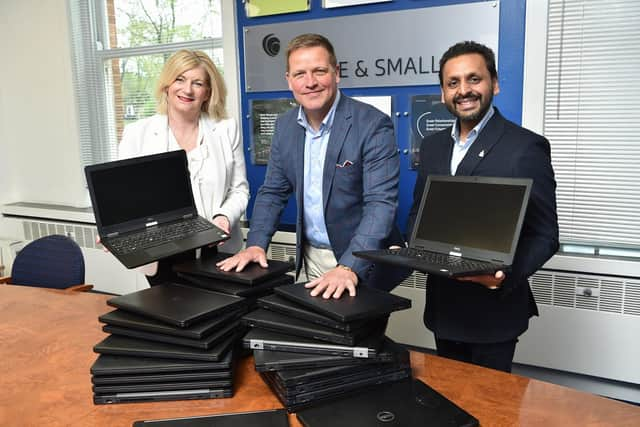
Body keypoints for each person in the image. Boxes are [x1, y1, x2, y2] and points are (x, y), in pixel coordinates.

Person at [407, 41, 559, 372]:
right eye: (453, 83)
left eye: (474, 79)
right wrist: (412, 248)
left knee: (493, 414)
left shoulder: (525, 147)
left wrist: (503, 276)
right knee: (449, 405)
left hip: (494, 314)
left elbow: (546, 235)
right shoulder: (432, 147)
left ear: (494, 83)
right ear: (444, 93)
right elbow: (419, 212)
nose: (464, 90)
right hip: (444, 308)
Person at [218, 33, 404, 298]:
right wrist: (256, 244)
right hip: (310, 258)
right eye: (300, 74)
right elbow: (272, 192)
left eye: (319, 71)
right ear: (289, 80)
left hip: (362, 259)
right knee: (313, 336)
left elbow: (380, 205)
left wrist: (348, 266)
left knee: (361, 338)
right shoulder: (285, 126)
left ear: (336, 73)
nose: (310, 82)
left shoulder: (372, 124)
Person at [118, 49, 249, 285]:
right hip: (162, 254)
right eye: (180, 79)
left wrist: (224, 218)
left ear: (208, 92)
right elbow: (127, 198)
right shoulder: (137, 133)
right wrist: (117, 229)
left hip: (217, 251)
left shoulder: (226, 129)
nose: (187, 90)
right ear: (167, 85)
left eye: (197, 83)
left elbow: (239, 190)